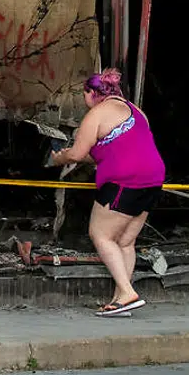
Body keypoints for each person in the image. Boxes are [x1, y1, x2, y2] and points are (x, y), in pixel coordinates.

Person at [49, 67, 165, 317]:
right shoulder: (137, 111)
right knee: (125, 241)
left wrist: (60, 158)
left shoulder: (97, 113)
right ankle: (120, 301)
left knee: (100, 234)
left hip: (124, 179)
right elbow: (115, 149)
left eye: (84, 95)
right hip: (154, 177)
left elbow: (78, 154)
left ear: (91, 93)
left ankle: (126, 292)